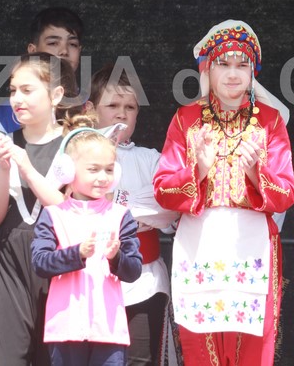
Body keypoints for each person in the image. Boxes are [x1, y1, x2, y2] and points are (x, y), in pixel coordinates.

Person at [153, 20, 294, 366]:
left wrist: (256, 174)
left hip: (253, 249)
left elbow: (287, 192)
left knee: (252, 350)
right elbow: (163, 189)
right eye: (224, 64)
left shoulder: (270, 121)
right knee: (201, 350)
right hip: (199, 246)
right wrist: (198, 171)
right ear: (208, 68)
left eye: (242, 65)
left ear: (252, 72)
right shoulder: (186, 119)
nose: (233, 73)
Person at [0, 52, 77, 366]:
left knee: (55, 358)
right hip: (9, 262)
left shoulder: (76, 145)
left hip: (59, 261)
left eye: (27, 90)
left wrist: (27, 169)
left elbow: (76, 213)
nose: (17, 99)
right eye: (12, 90)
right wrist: (3, 169)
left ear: (56, 95)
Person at [85, 64, 179, 366]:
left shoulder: (151, 159)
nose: (122, 114)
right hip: (88, 281)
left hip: (145, 282)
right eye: (112, 105)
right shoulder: (76, 154)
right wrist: (138, 211)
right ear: (90, 110)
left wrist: (116, 202)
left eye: (130, 107)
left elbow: (170, 208)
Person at [32, 119, 143, 366]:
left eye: (109, 170)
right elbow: (40, 263)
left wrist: (116, 258)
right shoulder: (53, 215)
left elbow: (134, 270)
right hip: (65, 330)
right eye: (93, 169)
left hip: (109, 331)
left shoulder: (120, 215)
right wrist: (77, 254)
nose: (103, 177)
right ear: (68, 172)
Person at [0, 7, 84, 134]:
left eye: (72, 44)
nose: (64, 51)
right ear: (33, 51)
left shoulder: (96, 105)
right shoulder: (7, 112)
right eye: (53, 43)